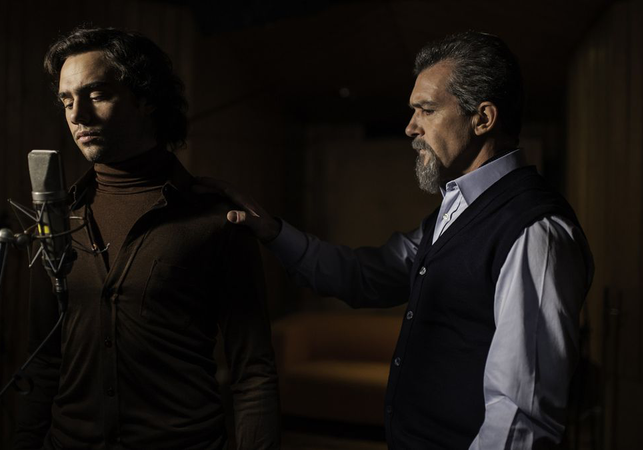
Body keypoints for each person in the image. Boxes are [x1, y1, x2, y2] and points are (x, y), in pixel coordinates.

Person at [201, 31, 593, 449]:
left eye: (427, 110)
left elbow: (519, 420)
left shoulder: (535, 232)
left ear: (482, 119)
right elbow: (364, 274)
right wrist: (274, 232)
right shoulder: (454, 211)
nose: (410, 127)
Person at [15, 27, 279, 450]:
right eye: (67, 100)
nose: (77, 115)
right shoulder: (58, 219)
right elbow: (42, 360)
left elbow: (253, 372)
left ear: (146, 99)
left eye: (97, 94)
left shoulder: (217, 219)